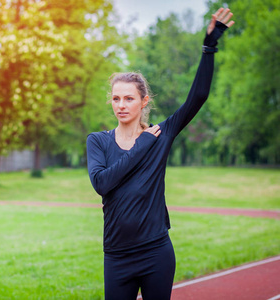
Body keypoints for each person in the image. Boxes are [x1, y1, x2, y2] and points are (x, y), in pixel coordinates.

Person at [86, 8, 234, 300]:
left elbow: (198, 97)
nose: (121, 105)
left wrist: (209, 47)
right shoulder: (98, 142)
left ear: (144, 101)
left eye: (129, 98)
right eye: (116, 98)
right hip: (116, 257)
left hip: (156, 252)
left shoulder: (161, 135)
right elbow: (102, 183)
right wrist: (141, 146)